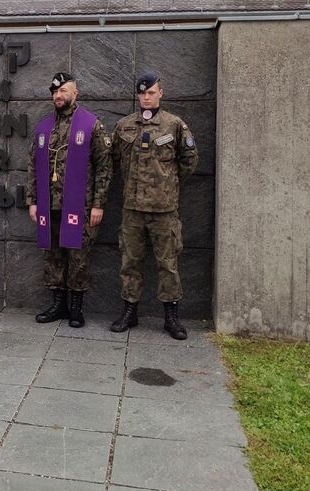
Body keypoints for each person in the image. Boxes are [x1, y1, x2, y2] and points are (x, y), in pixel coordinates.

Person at [110, 72, 199, 339]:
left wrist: (167, 184)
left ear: (160, 93)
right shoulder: (124, 126)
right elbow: (114, 159)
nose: (146, 97)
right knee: (129, 261)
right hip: (132, 209)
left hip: (164, 209)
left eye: (151, 92)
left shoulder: (174, 125)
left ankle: (171, 317)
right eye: (142, 93)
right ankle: (129, 311)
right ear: (138, 95)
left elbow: (189, 160)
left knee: (168, 264)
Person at [26, 72, 112, 327]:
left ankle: (76, 308)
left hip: (81, 207)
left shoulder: (91, 125)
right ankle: (58, 304)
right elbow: (32, 166)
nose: (58, 95)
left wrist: (98, 204)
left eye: (63, 90)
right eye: (55, 92)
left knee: (78, 257)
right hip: (49, 205)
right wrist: (32, 201)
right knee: (52, 256)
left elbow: (105, 166)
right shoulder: (44, 128)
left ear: (76, 93)